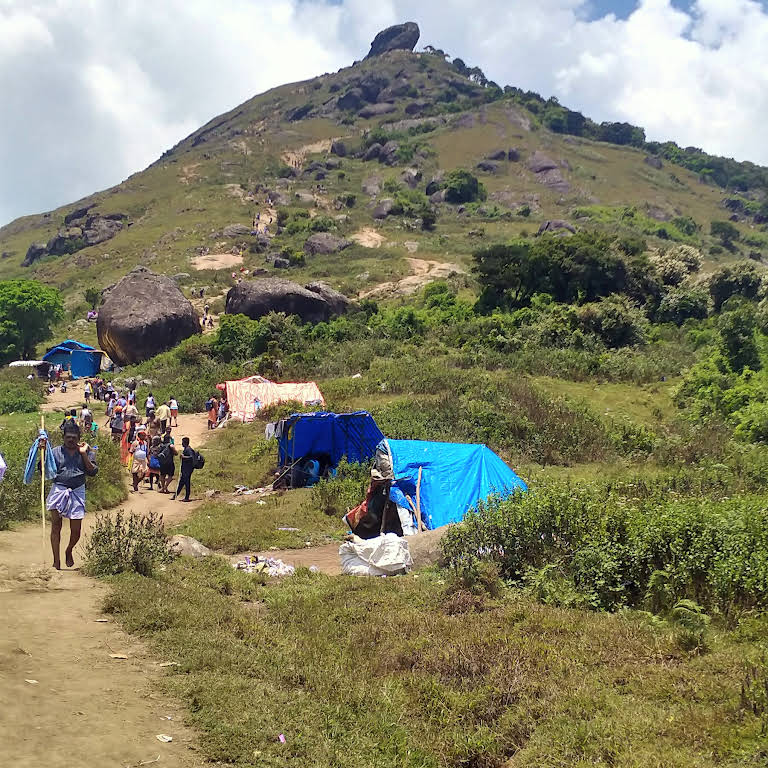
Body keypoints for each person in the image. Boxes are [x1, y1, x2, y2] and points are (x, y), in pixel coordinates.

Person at [46, 421, 98, 569]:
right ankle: (56, 562)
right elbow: (44, 469)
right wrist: (42, 451)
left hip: (77, 490)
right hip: (59, 489)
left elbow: (92, 471)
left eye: (74, 437)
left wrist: (83, 454)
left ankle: (69, 550)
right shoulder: (55, 452)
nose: (70, 440)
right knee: (56, 525)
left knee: (76, 530)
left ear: (79, 438)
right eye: (68, 437)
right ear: (63, 437)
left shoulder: (87, 452)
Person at [172, 437, 195, 502]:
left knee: (187, 483)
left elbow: (191, 457)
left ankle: (187, 497)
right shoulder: (186, 449)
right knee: (181, 483)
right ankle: (175, 495)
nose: (181, 443)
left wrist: (183, 457)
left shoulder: (188, 449)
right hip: (185, 469)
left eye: (182, 442)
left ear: (185, 443)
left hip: (188, 470)